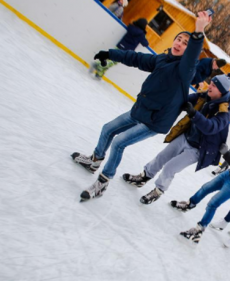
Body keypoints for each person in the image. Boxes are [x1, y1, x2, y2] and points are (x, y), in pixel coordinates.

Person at [71, 11, 212, 202]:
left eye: (185, 43)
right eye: (178, 39)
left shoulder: (185, 70)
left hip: (154, 121)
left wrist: (199, 31)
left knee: (120, 142)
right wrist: (110, 53)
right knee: (107, 129)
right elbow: (136, 58)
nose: (179, 44)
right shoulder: (162, 59)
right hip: (140, 110)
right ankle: (94, 162)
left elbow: (193, 55)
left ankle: (103, 182)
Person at [121, 73, 230, 204]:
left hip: (198, 149)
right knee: (161, 157)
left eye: (214, 86)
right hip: (186, 137)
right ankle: (144, 177)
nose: (210, 87)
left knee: (170, 167)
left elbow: (210, 127)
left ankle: (158, 191)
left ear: (221, 91)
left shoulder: (224, 113)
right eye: (211, 84)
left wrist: (193, 113)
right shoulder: (205, 96)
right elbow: (184, 100)